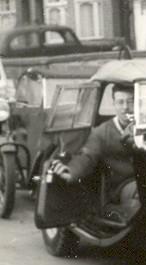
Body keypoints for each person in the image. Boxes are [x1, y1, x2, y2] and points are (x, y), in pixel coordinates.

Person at [52, 83, 139, 219]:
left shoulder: (144, 126)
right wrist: (72, 171)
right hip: (120, 186)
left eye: (130, 101)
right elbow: (88, 155)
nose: (125, 108)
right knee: (144, 192)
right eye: (120, 102)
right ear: (114, 104)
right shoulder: (102, 132)